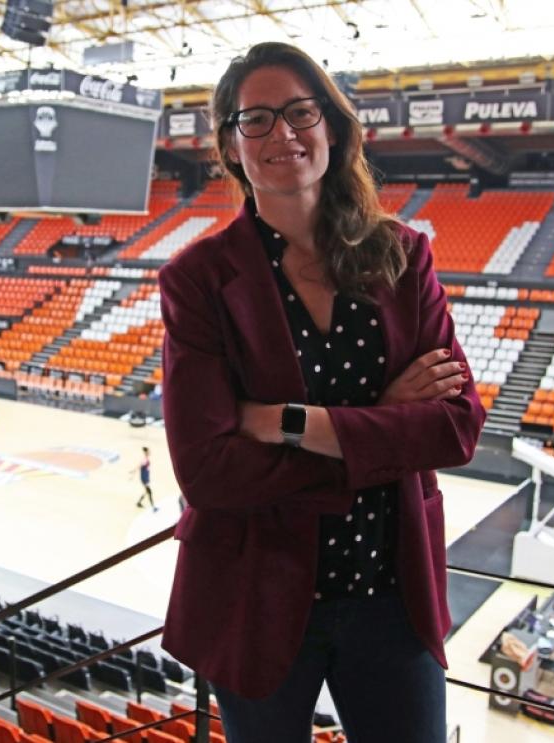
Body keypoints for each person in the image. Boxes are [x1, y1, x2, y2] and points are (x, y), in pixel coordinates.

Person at [157, 43, 485, 743]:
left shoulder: (403, 254)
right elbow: (207, 471)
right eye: (256, 119)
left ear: (331, 126)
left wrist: (290, 423)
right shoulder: (197, 279)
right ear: (231, 146)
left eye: (300, 112)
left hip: (392, 593)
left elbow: (456, 425)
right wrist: (381, 427)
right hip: (254, 595)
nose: (282, 133)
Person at [135, 447, 157, 511]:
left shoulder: (146, 459)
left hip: (145, 478)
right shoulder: (145, 460)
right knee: (149, 492)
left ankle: (139, 503)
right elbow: (140, 467)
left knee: (146, 492)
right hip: (144, 479)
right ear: (146, 452)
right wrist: (133, 471)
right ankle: (153, 506)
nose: (149, 452)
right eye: (148, 451)